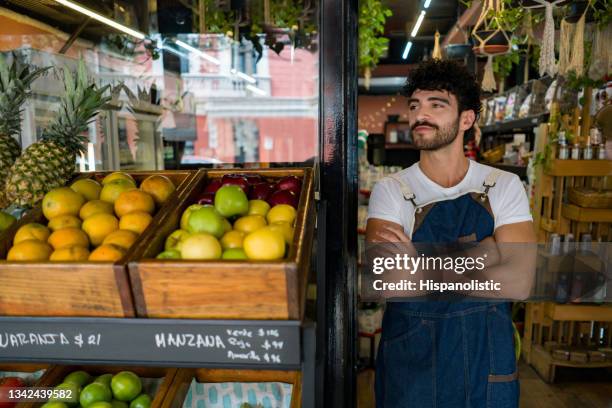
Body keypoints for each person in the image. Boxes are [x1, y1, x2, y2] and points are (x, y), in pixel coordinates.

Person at [366, 59, 536, 408]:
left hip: (485, 359)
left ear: (467, 119)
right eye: (415, 105)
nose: (419, 115)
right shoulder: (391, 190)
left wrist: (422, 264)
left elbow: (520, 281)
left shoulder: (502, 185)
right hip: (412, 361)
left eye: (436, 105)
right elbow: (390, 282)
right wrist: (486, 255)